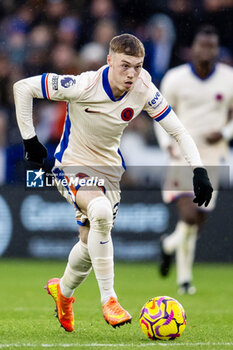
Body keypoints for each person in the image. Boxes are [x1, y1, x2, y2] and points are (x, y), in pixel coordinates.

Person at [13, 33, 213, 332]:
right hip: (72, 164)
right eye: (125, 66)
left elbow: (179, 132)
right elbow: (22, 87)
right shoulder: (83, 85)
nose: (132, 73)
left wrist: (198, 170)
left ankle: (63, 293)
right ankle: (109, 299)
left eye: (138, 66)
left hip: (109, 171)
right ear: (109, 61)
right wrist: (31, 143)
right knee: (101, 213)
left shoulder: (144, 87)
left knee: (88, 242)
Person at [154, 26, 233, 295]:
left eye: (212, 47)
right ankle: (184, 280)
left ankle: (167, 246)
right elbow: (159, 113)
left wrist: (223, 132)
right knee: (188, 215)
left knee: (196, 222)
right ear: (194, 48)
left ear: (217, 49)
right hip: (183, 154)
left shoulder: (228, 78)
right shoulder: (175, 78)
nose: (207, 51)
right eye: (202, 46)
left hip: (214, 156)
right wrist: (167, 144)